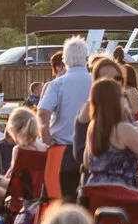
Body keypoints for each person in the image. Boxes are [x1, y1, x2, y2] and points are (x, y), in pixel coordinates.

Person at [81, 77, 138, 191]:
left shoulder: (93, 127)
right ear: (116, 99)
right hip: (121, 193)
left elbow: (87, 163)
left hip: (96, 191)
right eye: (123, 96)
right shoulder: (123, 129)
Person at [41, 37, 96, 202]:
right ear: (86, 57)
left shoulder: (58, 84)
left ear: (65, 59)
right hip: (92, 150)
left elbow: (43, 112)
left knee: (57, 202)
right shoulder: (96, 82)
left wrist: (45, 135)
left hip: (62, 150)